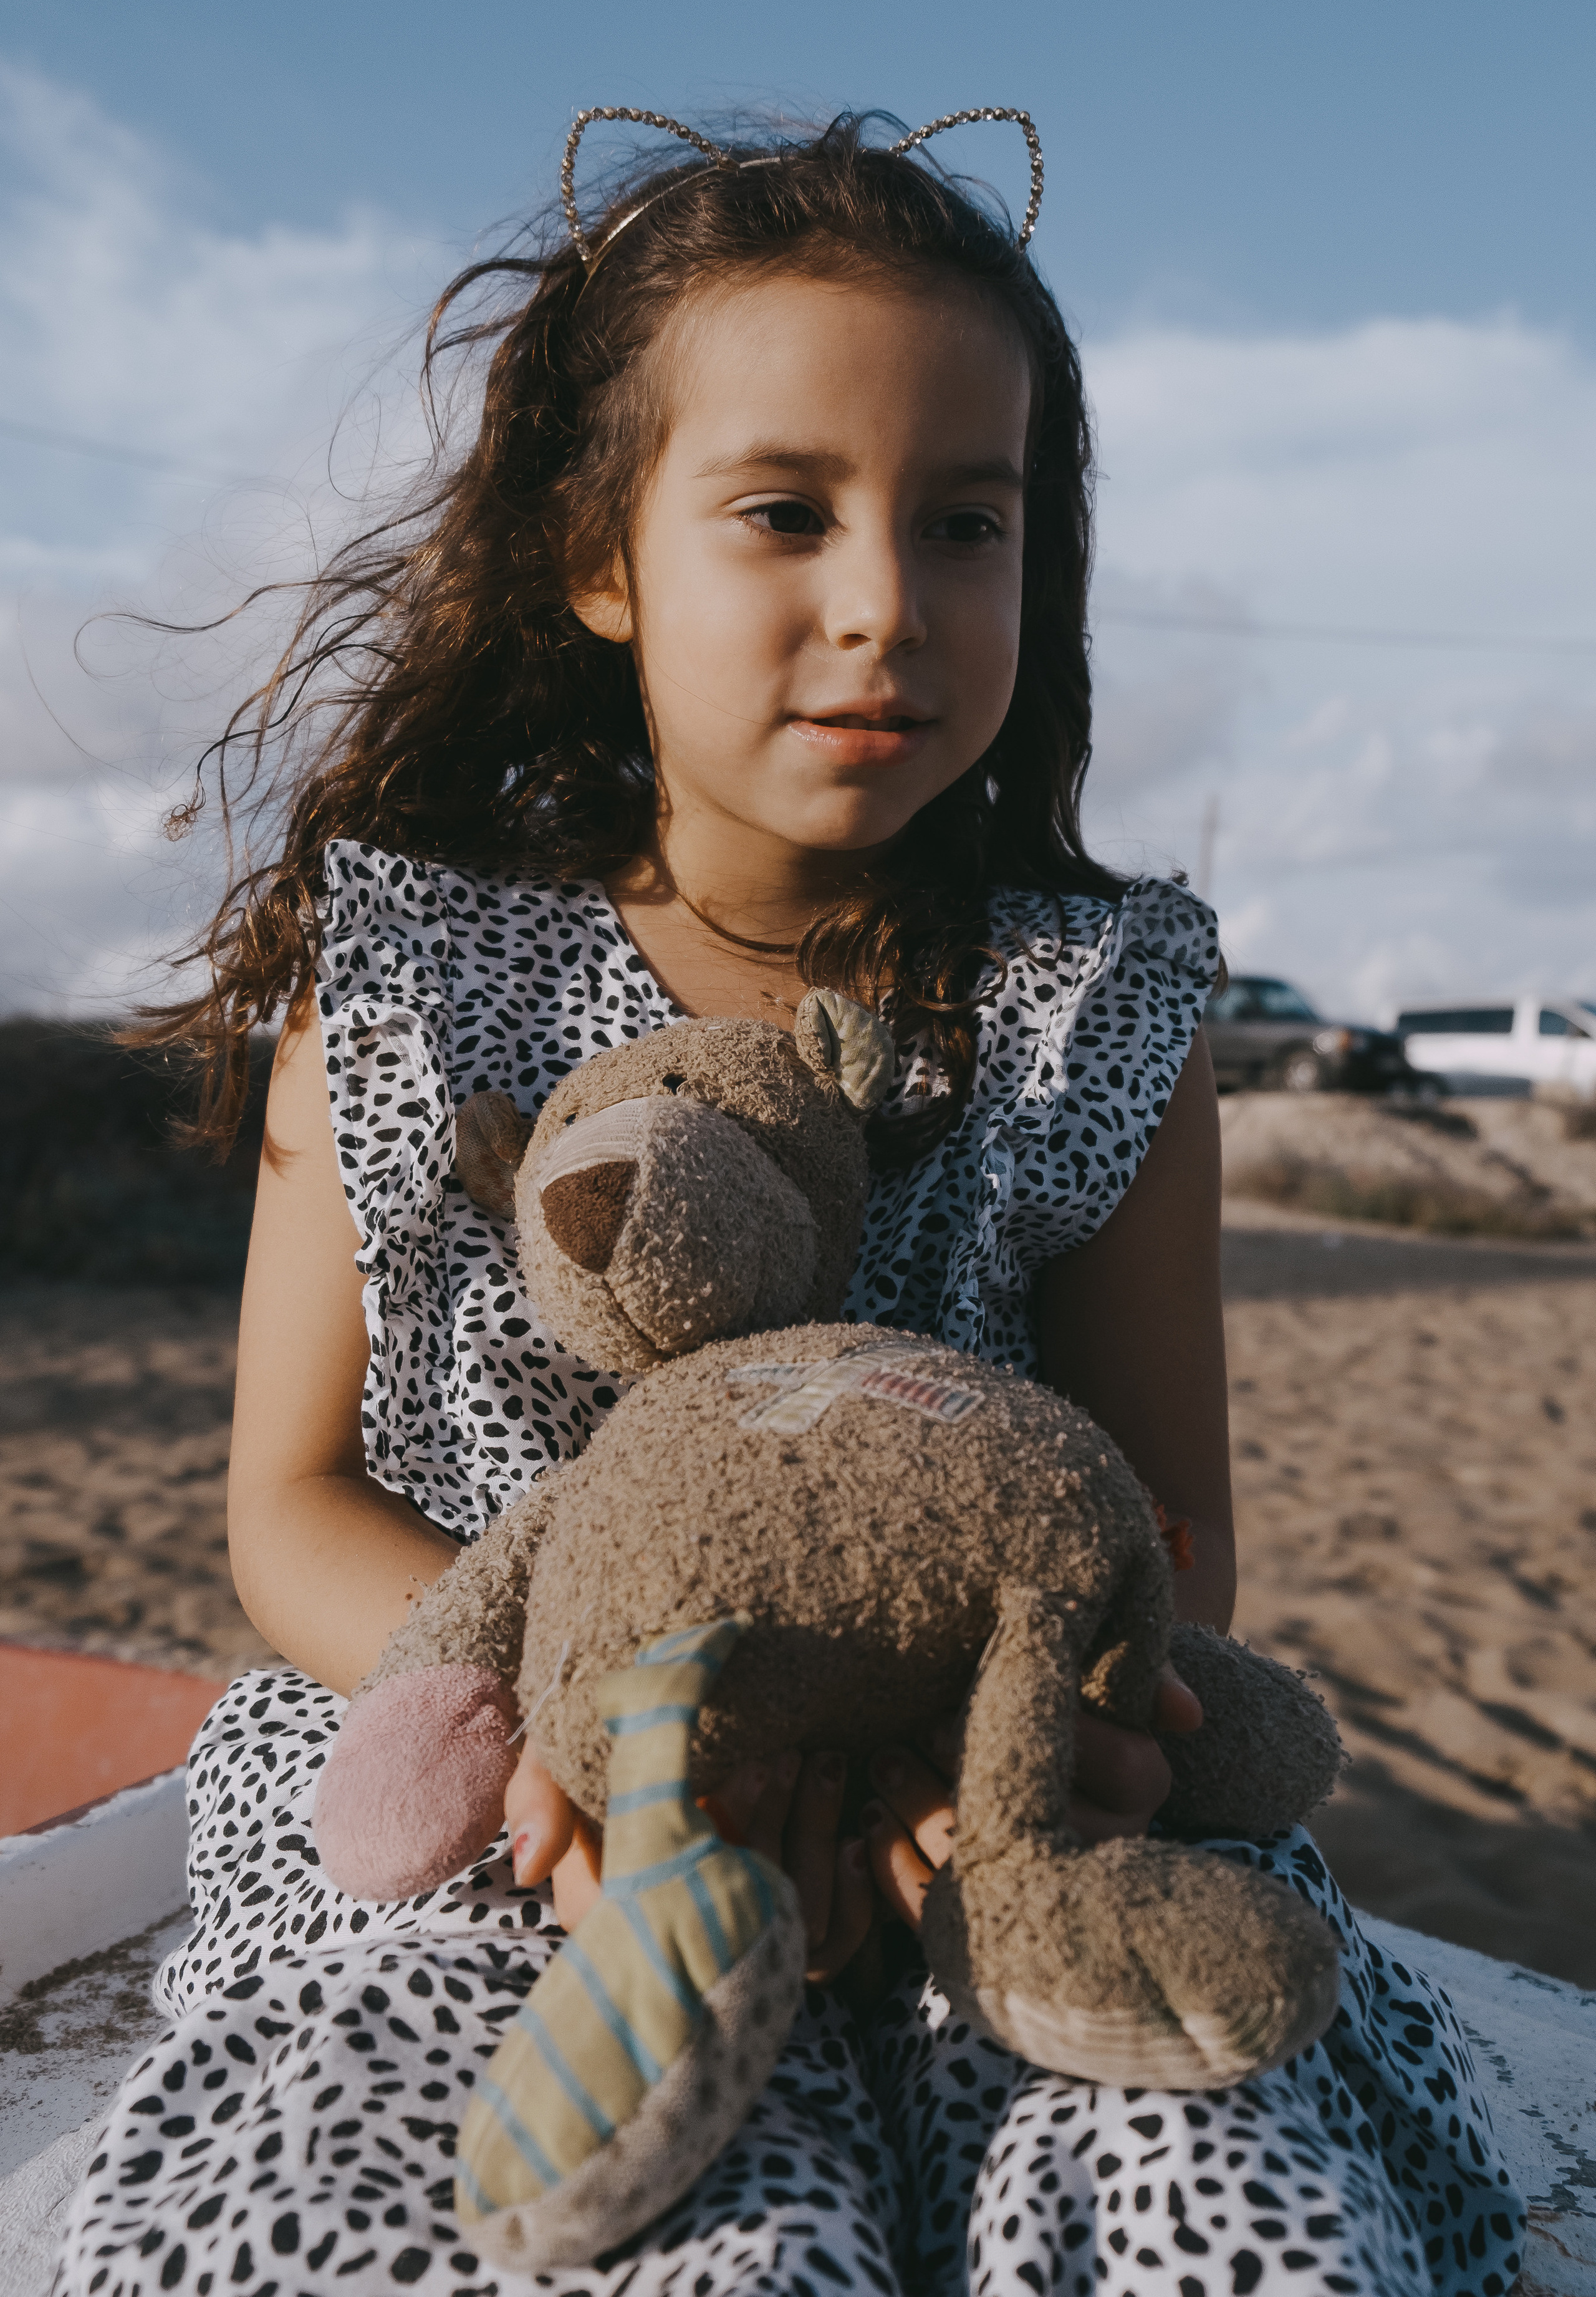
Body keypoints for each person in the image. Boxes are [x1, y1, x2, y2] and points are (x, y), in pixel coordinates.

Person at [59, 112, 1522, 2297]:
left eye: (965, 525)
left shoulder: (1092, 1009)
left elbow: (1173, 1528)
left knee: (1178, 2156)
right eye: (783, 514)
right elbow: (287, 1508)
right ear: (602, 556)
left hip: (986, 1790)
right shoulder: (409, 983)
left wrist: (980, 1756)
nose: (884, 606)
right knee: (517, 2175)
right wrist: (591, 1744)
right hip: (512, 1780)